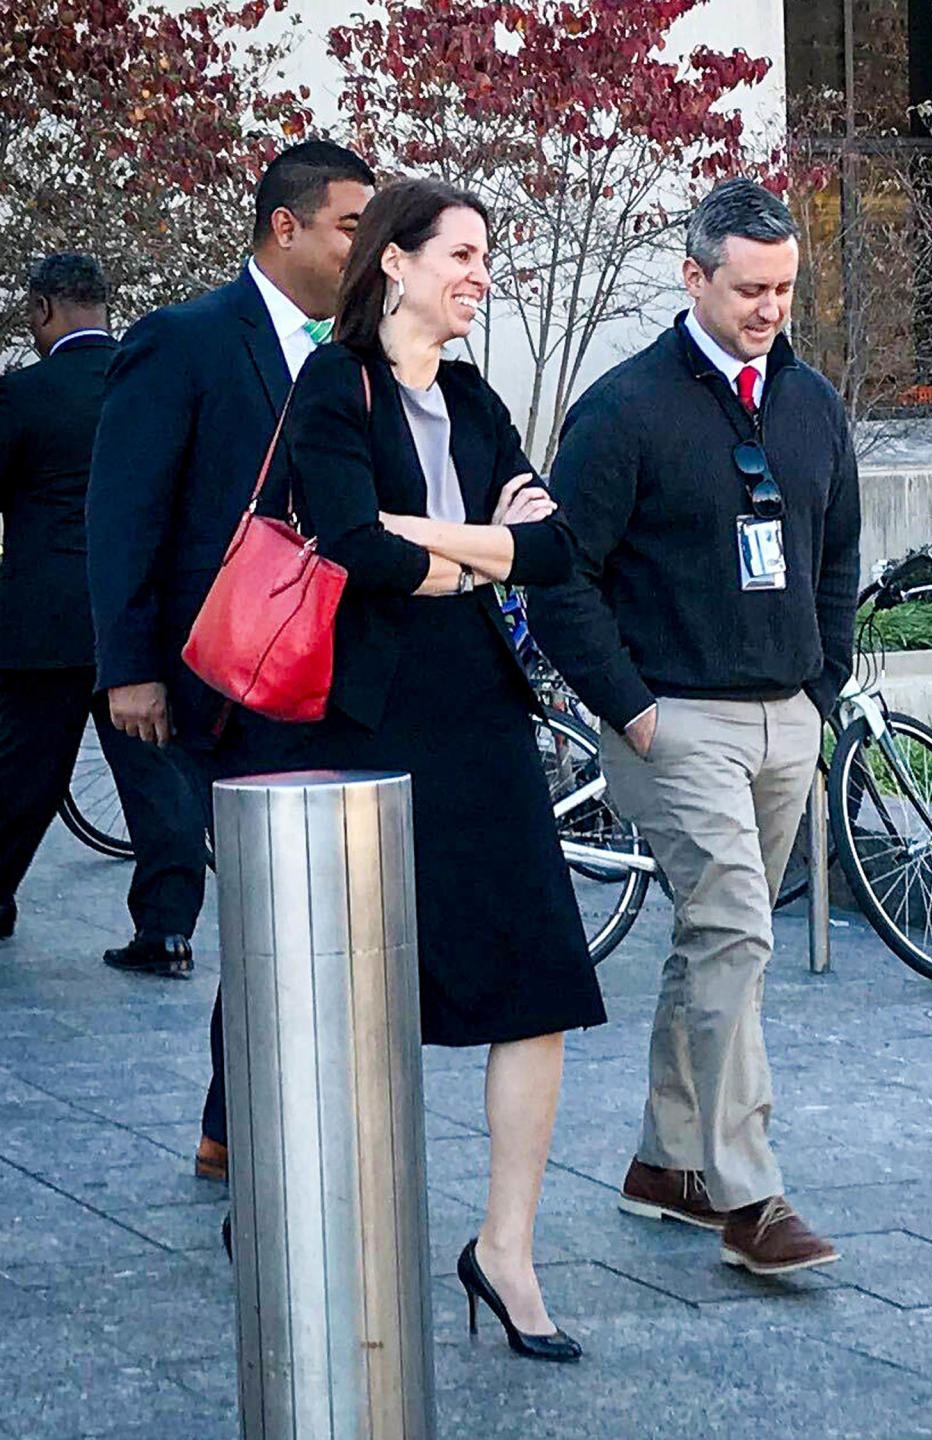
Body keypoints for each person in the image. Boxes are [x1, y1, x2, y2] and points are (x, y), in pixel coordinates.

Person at [281, 176, 606, 1361]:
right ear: (396, 264)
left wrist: (432, 541)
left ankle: (504, 1252)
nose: (478, 273)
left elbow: (554, 549)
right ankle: (317, 1223)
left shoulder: (470, 395)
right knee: (363, 996)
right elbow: (350, 546)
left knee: (540, 983)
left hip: (477, 711)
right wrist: (474, 549)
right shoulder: (336, 385)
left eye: (484, 256)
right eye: (461, 253)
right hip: (367, 721)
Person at [528, 178, 861, 1276]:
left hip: (784, 719)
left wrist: (823, 686)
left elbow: (834, 553)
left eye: (783, 289)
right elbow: (559, 576)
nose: (769, 308)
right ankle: (746, 1193)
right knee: (735, 930)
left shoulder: (811, 403)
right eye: (749, 289)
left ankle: (666, 1163)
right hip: (672, 720)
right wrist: (629, 708)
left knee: (722, 945)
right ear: (694, 277)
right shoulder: (622, 409)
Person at [86, 140, 376, 1182]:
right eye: (351, 225)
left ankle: (236, 1119)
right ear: (284, 226)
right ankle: (244, 1127)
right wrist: (129, 669)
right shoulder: (187, 341)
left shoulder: (364, 353)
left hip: (339, 674)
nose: (367, 247)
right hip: (224, 682)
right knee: (270, 900)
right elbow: (122, 510)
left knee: (308, 904)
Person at [0, 254, 205, 962]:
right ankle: (167, 926)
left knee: (22, 772)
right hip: (143, 616)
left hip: (45, 620)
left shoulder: (23, 394)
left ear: (42, 311)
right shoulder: (151, 383)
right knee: (156, 777)